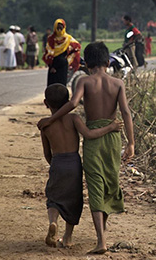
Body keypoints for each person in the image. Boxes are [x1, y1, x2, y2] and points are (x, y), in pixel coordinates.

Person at [37, 41, 135, 254]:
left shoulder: (84, 81)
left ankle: (101, 240)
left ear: (87, 63)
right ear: (107, 62)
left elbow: (72, 104)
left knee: (95, 186)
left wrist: (51, 119)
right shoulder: (118, 84)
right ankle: (102, 233)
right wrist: (131, 143)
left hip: (93, 139)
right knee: (110, 182)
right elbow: (126, 112)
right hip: (113, 137)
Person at [41, 83, 120, 249]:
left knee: (54, 198)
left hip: (57, 162)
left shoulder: (45, 124)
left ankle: (53, 221)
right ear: (68, 101)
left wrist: (53, 164)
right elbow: (89, 134)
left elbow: (47, 153)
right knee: (74, 200)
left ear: (45, 103)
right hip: (74, 163)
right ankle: (68, 237)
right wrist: (111, 127)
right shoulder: (74, 118)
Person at [43, 19, 81, 86]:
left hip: (62, 66)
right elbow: (48, 53)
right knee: (52, 86)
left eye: (61, 27)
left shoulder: (68, 38)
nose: (59, 29)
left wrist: (69, 60)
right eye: (58, 28)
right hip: (53, 65)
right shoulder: (51, 39)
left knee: (61, 86)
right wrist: (51, 66)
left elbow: (77, 48)